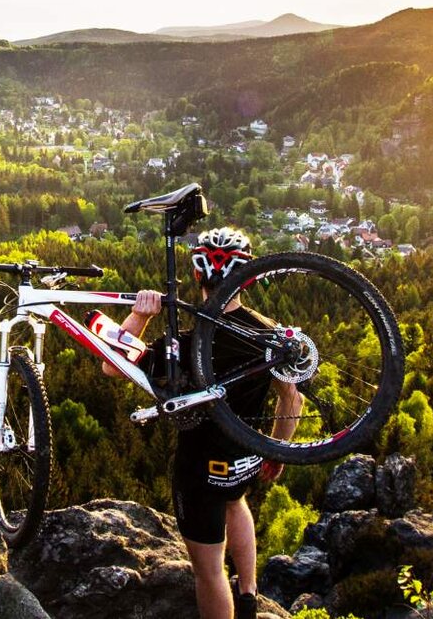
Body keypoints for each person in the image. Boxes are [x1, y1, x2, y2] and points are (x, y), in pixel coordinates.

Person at [100, 227, 302, 619]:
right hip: (244, 456)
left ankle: (234, 600)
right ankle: (248, 593)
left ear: (197, 275)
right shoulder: (268, 332)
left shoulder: (185, 345)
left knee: (208, 573)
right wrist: (277, 450)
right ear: (249, 275)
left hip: (199, 470)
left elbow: (113, 365)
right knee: (236, 501)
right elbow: (290, 397)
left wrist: (139, 316)